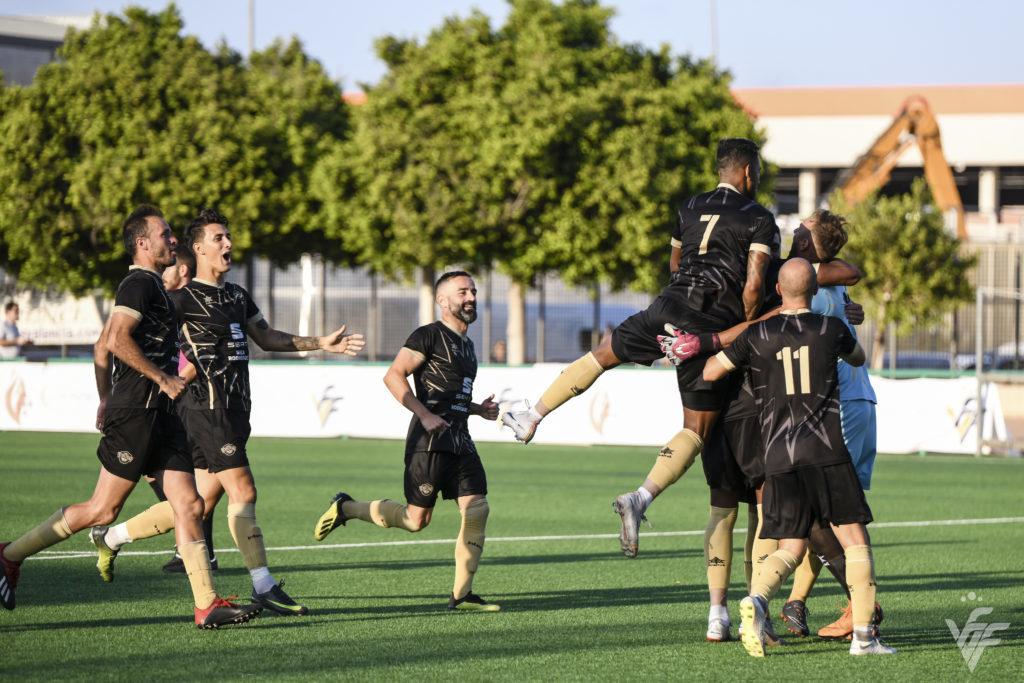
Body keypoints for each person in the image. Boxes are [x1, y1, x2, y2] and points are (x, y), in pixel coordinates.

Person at [501, 138, 780, 558]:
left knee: (603, 354)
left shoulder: (688, 206)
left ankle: (531, 415)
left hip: (665, 306)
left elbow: (675, 264)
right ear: (746, 173)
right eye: (756, 172)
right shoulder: (759, 218)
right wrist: (742, 323)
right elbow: (755, 288)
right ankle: (641, 497)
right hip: (705, 325)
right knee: (696, 430)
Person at [89, 207, 365, 617]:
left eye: (228, 236)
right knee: (245, 491)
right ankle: (264, 585)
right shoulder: (176, 299)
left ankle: (112, 537)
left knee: (196, 504)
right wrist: (129, 393)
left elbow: (267, 338)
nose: (228, 244)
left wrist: (320, 343)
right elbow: (113, 340)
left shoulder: (236, 296)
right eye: (219, 238)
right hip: (204, 411)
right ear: (197, 248)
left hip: (235, 412)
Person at [0, 205, 261, 629]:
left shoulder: (156, 288)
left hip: (162, 413)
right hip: (138, 412)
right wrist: (154, 381)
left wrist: (106, 397)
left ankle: (206, 604)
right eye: (166, 234)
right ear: (143, 243)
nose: (172, 239)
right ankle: (8, 555)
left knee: (190, 503)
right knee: (103, 510)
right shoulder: (138, 283)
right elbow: (114, 340)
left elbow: (105, 345)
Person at [703, 258, 895, 657]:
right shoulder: (831, 327)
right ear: (814, 291)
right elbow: (859, 358)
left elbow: (709, 372)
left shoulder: (758, 333)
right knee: (855, 540)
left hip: (778, 458)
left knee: (789, 548)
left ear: (778, 290)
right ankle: (863, 638)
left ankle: (757, 601)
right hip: (825, 452)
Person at [313, 271, 502, 612]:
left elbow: (453, 397)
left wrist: (478, 409)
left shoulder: (469, 346)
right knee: (416, 521)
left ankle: (462, 595)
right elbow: (393, 375)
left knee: (478, 509)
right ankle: (347, 508)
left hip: (460, 439)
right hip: (428, 441)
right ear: (442, 301)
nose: (471, 297)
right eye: (462, 292)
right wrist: (424, 415)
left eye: (473, 291)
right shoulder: (428, 335)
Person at [94, 245, 219, 574]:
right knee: (179, 495)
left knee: (198, 494)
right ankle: (188, 547)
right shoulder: (150, 297)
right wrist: (163, 380)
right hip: (154, 405)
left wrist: (169, 380)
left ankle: (194, 554)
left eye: (170, 268)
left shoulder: (180, 302)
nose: (164, 272)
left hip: (185, 405)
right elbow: (107, 343)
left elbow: (200, 355)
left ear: (183, 272)